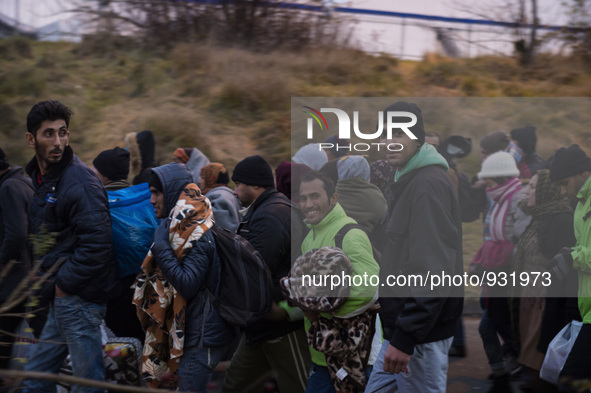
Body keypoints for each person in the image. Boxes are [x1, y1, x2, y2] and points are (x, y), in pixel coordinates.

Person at [365, 101, 464, 393]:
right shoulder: (408, 181)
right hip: (401, 330)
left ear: (418, 138)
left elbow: (433, 268)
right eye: (385, 134)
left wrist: (406, 337)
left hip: (419, 335)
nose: (389, 142)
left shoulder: (426, 185)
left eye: (399, 134)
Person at [22, 100, 118, 393]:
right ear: (31, 140)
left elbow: (98, 244)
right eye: (48, 134)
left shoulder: (80, 182)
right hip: (60, 296)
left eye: (63, 133)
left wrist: (64, 284)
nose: (58, 142)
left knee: (87, 385)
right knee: (35, 380)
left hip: (78, 297)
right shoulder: (44, 179)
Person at [133, 163, 237, 392]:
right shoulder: (178, 228)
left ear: (171, 193)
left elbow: (188, 284)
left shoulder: (197, 231)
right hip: (197, 330)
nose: (151, 200)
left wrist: (160, 247)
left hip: (203, 335)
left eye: (156, 193)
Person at [223, 155, 311, 393]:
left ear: (256, 185)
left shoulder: (269, 217)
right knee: (234, 386)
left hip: (280, 324)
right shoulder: (269, 209)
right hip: (262, 324)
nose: (234, 190)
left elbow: (256, 271)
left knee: (299, 386)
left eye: (238, 183)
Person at [296, 170, 380, 392]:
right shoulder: (309, 237)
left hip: (352, 353)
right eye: (303, 198)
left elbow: (368, 288)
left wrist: (316, 305)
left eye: (315, 196)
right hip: (324, 350)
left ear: (333, 199)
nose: (308, 204)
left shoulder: (349, 235)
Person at [469, 151, 529, 393]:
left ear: (503, 179)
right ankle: (510, 367)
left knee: (490, 326)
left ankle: (508, 370)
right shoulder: (501, 198)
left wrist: (496, 262)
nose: (488, 188)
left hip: (508, 278)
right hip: (496, 276)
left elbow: (523, 242)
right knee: (500, 323)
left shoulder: (517, 199)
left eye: (491, 183)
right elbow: (493, 239)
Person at [512, 169, 576, 393]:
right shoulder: (539, 217)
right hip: (529, 300)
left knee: (540, 364)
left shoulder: (562, 220)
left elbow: (567, 271)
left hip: (545, 304)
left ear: (546, 190)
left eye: (532, 186)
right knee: (531, 362)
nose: (526, 191)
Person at [91, 147, 147, 341]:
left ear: (105, 175)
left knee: (125, 342)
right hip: (146, 283)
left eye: (96, 169)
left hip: (116, 288)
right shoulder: (143, 196)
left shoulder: (98, 202)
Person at [547, 144, 591, 389]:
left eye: (564, 183)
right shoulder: (580, 204)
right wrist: (568, 255)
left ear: (582, 173)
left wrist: (574, 258)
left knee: (569, 383)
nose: (563, 192)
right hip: (586, 310)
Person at [0, 147, 33, 382]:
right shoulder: (24, 181)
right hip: (27, 275)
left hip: (13, 280)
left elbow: (17, 234)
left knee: (3, 342)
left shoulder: (9, 187)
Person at [198, 162, 241, 232]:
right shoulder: (228, 193)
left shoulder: (219, 197)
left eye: (203, 178)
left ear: (211, 179)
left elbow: (222, 228)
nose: (199, 181)